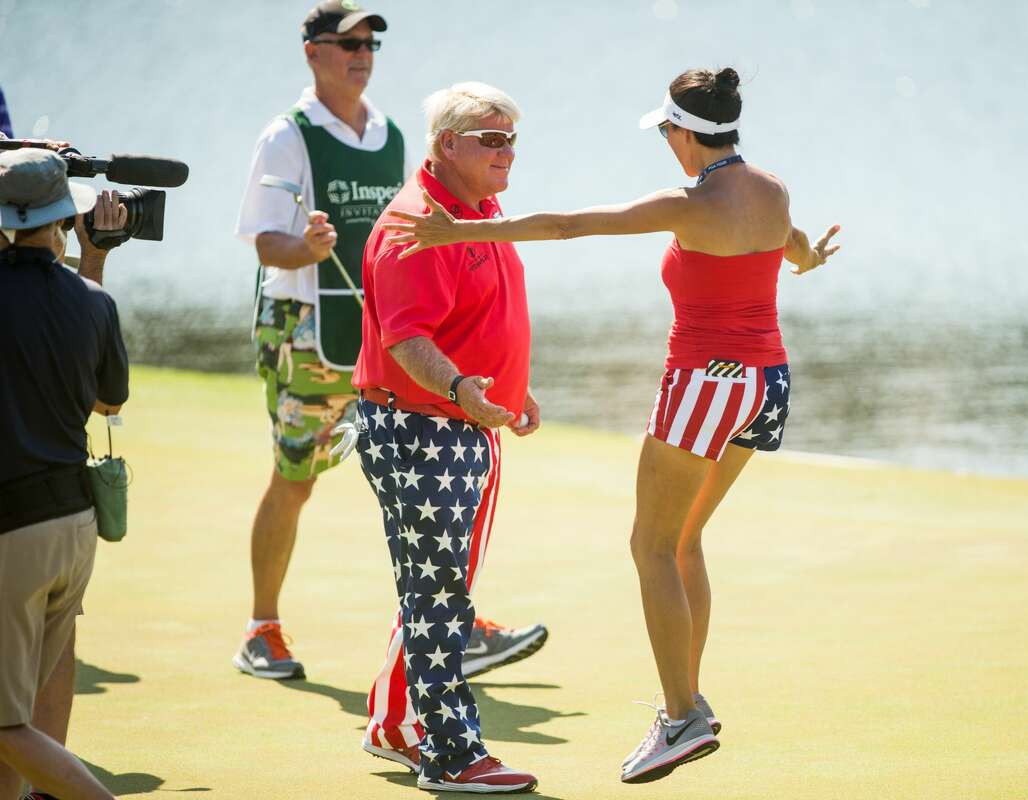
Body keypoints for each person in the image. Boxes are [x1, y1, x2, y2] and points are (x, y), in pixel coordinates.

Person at [382, 67, 842, 783]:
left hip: (707, 383)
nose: (665, 140)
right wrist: (809, 258)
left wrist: (454, 233)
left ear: (683, 134)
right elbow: (792, 240)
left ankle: (682, 716)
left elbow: (567, 226)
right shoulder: (771, 188)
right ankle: (685, 706)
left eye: (666, 131)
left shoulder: (689, 203)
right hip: (766, 386)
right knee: (685, 539)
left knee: (650, 545)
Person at [350, 81, 541, 793]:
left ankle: (394, 724)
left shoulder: (478, 210)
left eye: (511, 138)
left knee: (435, 590)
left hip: (455, 423)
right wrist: (465, 389)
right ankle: (450, 753)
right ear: (445, 145)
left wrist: (511, 388)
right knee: (440, 596)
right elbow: (407, 340)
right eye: (490, 139)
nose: (506, 151)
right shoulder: (418, 223)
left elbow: (478, 316)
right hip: (425, 427)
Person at [231, 0, 406, 680]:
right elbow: (265, 245)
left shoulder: (387, 133)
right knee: (295, 479)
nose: (362, 54)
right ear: (313, 52)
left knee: (409, 470)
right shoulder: (287, 135)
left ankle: (445, 616)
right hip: (301, 331)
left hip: (380, 330)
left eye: (370, 43)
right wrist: (305, 247)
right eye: (347, 42)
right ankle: (261, 629)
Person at [0, 148, 128, 800]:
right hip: (75, 530)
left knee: (5, 725)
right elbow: (107, 403)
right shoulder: (94, 299)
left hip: (11, 531)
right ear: (62, 218)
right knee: (18, 721)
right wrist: (96, 254)